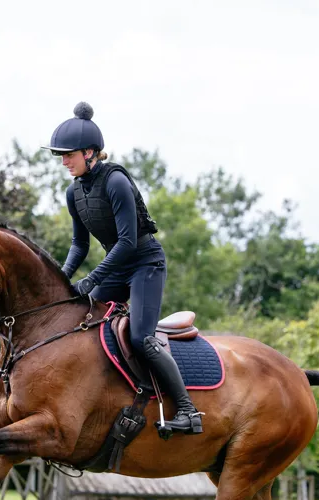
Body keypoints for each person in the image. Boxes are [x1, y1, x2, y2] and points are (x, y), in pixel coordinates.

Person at [43, 102, 203, 435]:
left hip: (145, 263)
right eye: (60, 155)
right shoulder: (74, 193)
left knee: (141, 337)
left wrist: (91, 279)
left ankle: (189, 412)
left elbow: (129, 242)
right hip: (116, 268)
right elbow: (79, 245)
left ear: (90, 153)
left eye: (68, 154)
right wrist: (59, 282)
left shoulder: (115, 181)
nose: (63, 161)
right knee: (82, 321)